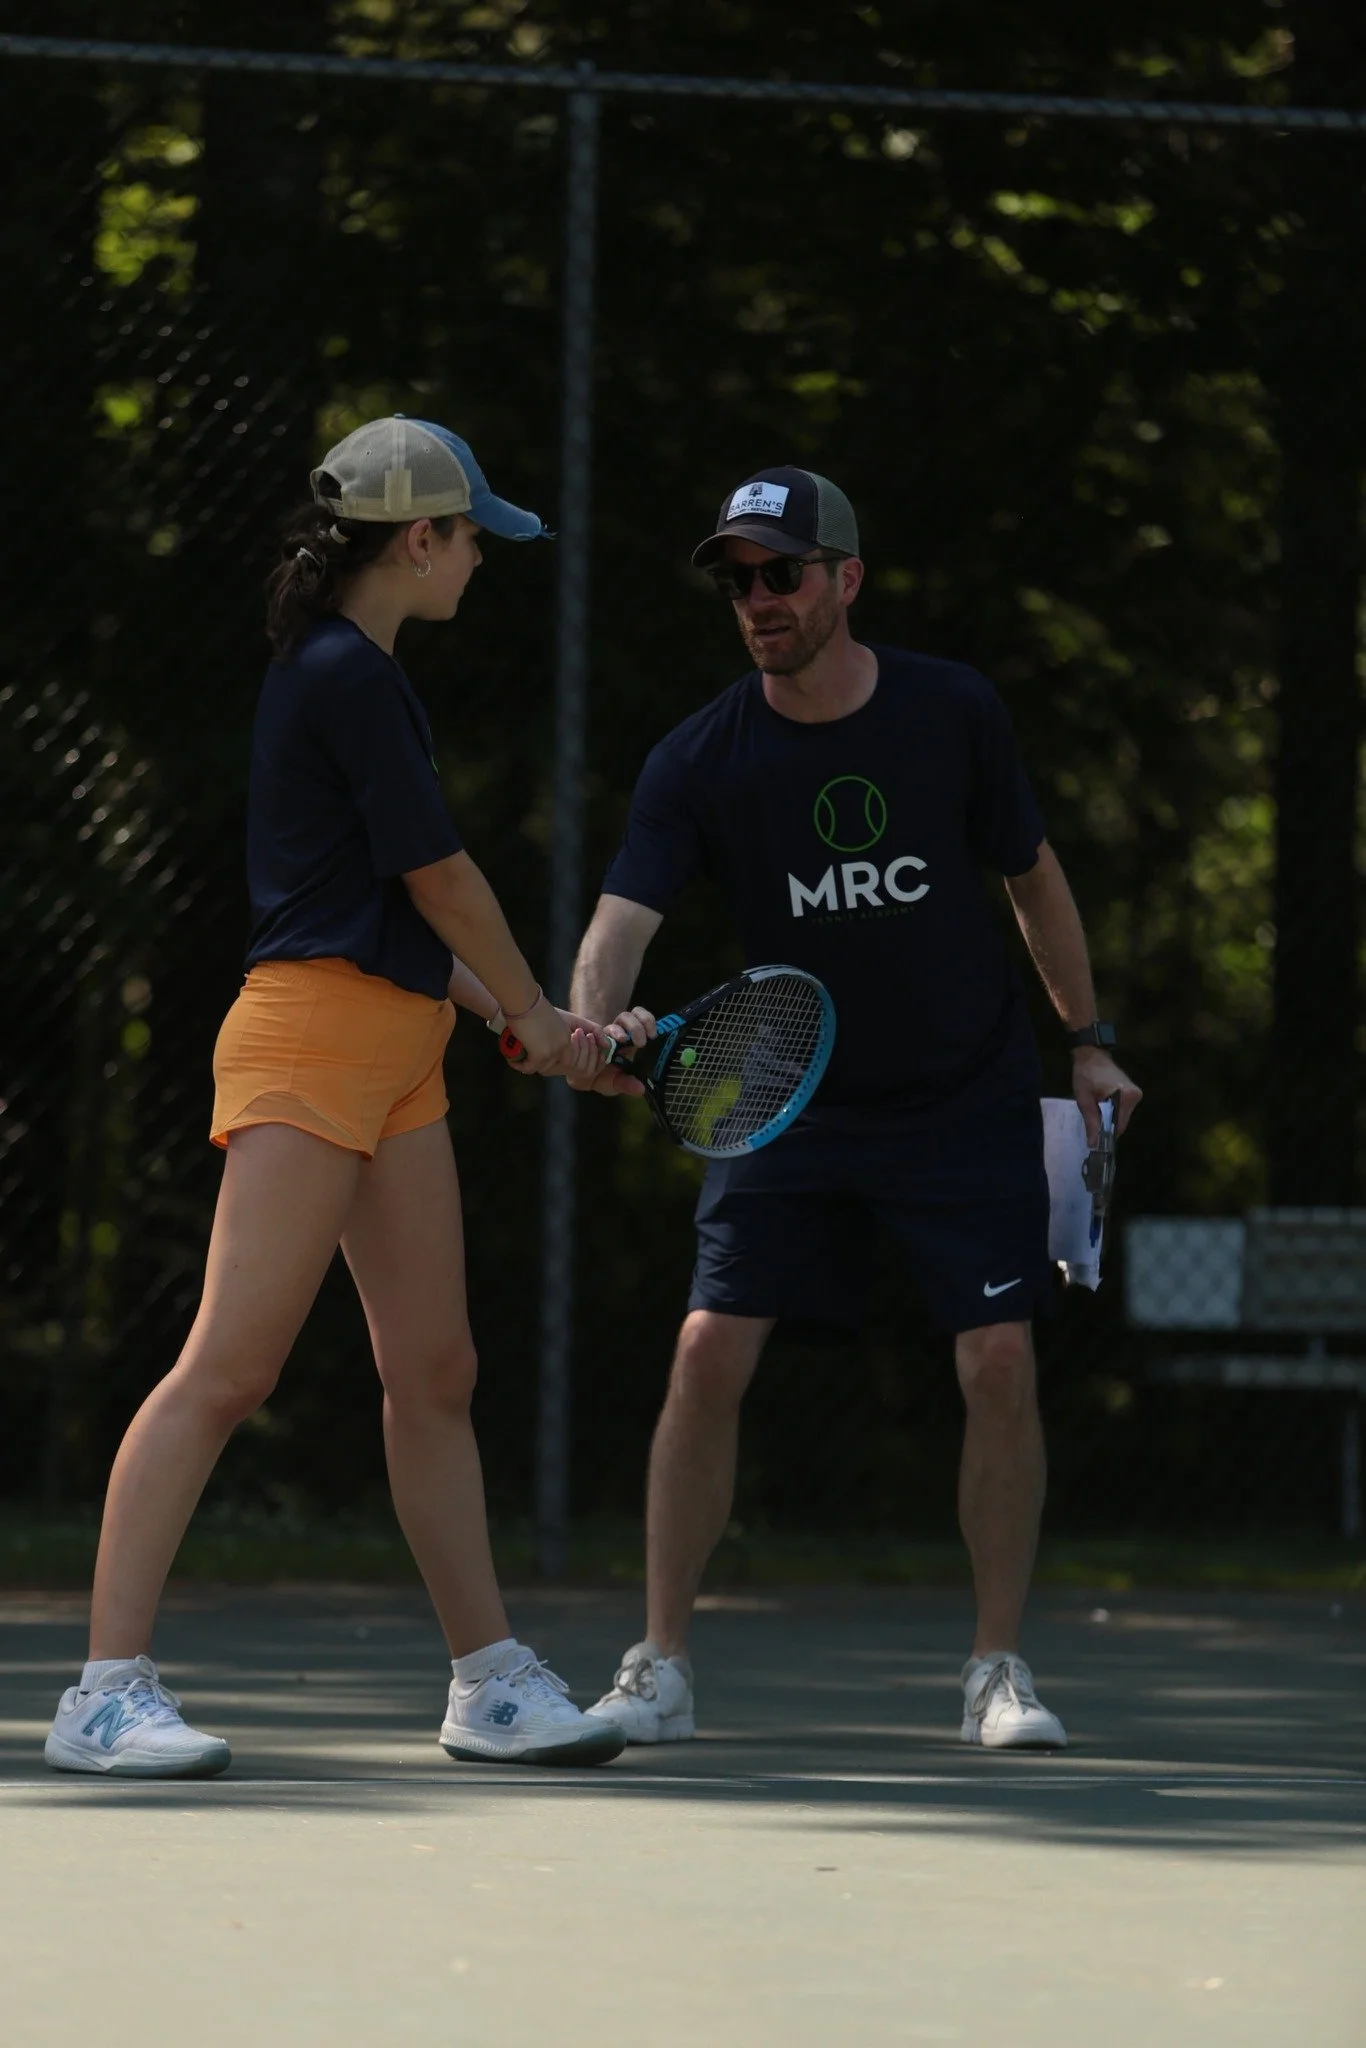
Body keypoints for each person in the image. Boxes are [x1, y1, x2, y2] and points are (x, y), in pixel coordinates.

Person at [45, 416, 622, 1777]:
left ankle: (487, 1680)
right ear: (418, 540)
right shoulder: (342, 676)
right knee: (227, 1370)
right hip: (308, 1042)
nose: (482, 557)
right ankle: (101, 1692)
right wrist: (540, 1013)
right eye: (471, 534)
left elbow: (402, 920)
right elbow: (439, 881)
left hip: (397, 1049)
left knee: (435, 1372)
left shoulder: (361, 675)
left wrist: (538, 1027)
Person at [570, 466, 1142, 1751]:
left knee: (997, 1358)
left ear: (845, 579)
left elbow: (1031, 880)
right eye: (738, 579)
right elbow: (621, 920)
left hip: (964, 1091)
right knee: (705, 1349)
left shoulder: (953, 712)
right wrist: (595, 1019)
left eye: (781, 572)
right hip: (792, 1105)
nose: (758, 599)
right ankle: (658, 1662)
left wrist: (1088, 1043)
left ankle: (997, 1667)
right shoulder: (699, 757)